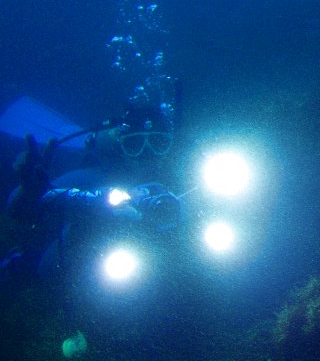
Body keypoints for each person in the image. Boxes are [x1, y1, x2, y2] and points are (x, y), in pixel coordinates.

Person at [1, 101, 184, 354]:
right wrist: (28, 192)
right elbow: (20, 207)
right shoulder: (95, 178)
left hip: (153, 283)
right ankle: (19, 264)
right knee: (41, 271)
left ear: (170, 144)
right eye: (134, 144)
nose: (147, 153)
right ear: (120, 145)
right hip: (85, 279)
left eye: (158, 142)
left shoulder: (181, 178)